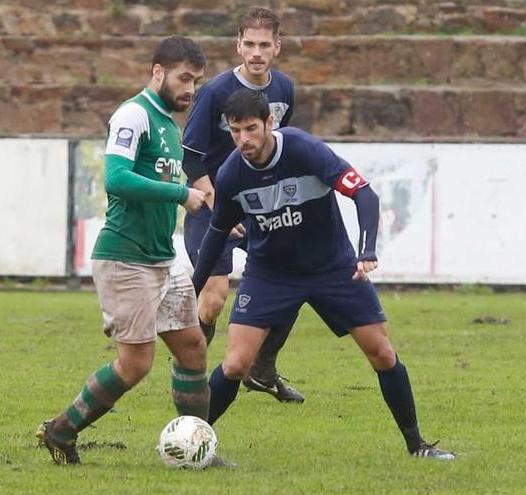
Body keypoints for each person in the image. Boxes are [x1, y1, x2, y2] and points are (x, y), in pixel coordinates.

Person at [193, 89, 456, 460]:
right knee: (236, 363)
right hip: (270, 274)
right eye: (235, 132)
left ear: (270, 122)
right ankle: (192, 443)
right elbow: (217, 233)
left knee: (381, 352)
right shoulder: (232, 172)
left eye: (251, 129)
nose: (244, 140)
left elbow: (364, 194)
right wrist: (193, 286)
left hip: (331, 267)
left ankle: (418, 446)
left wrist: (367, 250)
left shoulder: (303, 150)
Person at [36, 36, 214, 466]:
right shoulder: (134, 115)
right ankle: (61, 431)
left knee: (192, 347)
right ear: (158, 72)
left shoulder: (170, 125)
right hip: (125, 257)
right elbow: (115, 179)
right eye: (183, 78)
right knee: (135, 365)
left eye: (196, 81)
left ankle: (198, 449)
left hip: (161, 258)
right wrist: (178, 193)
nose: (190, 89)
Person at [182, 6, 304, 403]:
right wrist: (220, 207)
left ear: (277, 47)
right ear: (238, 46)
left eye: (264, 45)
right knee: (214, 295)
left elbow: (282, 149)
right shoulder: (215, 92)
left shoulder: (284, 89)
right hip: (213, 207)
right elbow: (191, 156)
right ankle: (192, 374)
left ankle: (262, 369)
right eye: (249, 44)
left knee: (293, 279)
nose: (256, 52)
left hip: (261, 208)